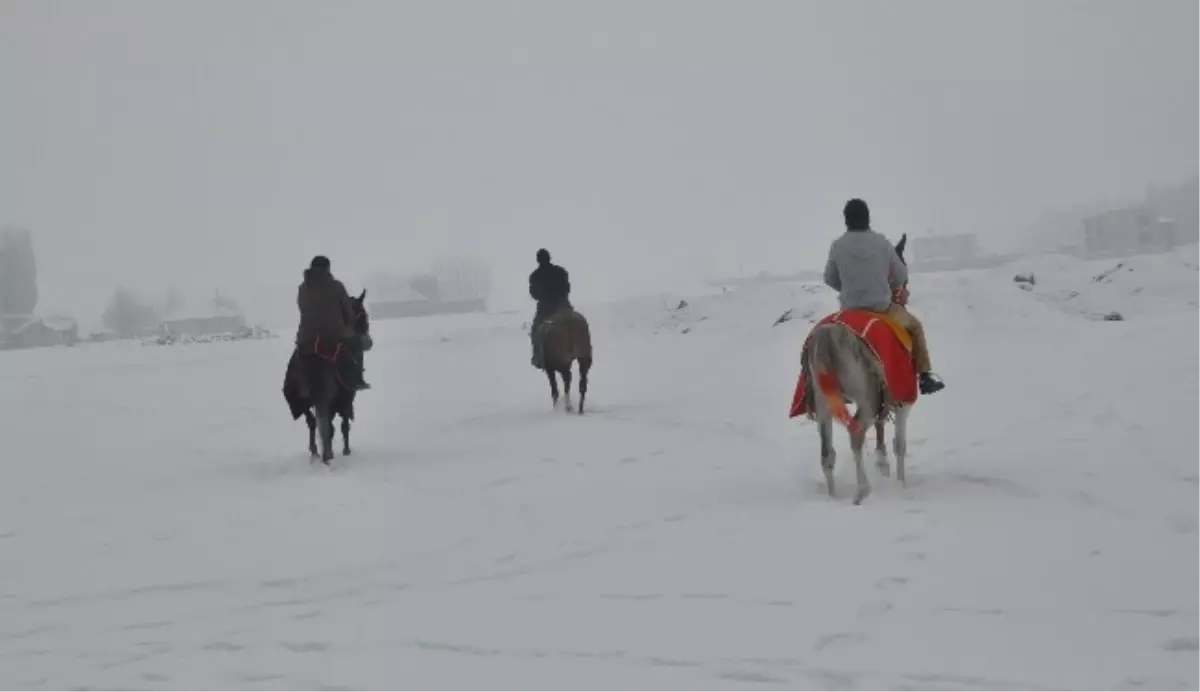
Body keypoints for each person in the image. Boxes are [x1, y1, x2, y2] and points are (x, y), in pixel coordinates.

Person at [823, 199, 944, 394]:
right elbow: (901, 275)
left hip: (849, 312)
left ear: (846, 220)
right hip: (883, 309)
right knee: (915, 327)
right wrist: (886, 287)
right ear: (868, 218)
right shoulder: (883, 243)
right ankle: (924, 377)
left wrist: (848, 289)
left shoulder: (837, 246)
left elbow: (829, 279)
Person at [295, 255, 369, 390]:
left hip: (307, 334)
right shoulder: (337, 286)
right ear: (328, 268)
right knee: (357, 343)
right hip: (335, 332)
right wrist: (347, 323)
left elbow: (302, 307)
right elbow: (348, 311)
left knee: (300, 354)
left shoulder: (302, 288)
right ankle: (358, 379)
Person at [528, 248, 572, 368]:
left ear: (538, 260)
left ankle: (537, 357)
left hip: (546, 309)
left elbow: (534, 295)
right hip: (563, 306)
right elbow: (567, 289)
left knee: (535, 332)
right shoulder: (561, 271)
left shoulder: (535, 276)